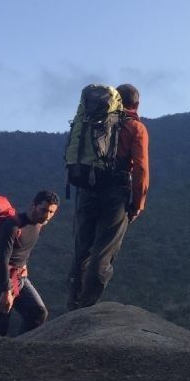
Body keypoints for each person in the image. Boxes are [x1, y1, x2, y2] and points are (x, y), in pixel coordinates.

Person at [68, 82, 150, 309]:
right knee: (103, 252)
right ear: (137, 103)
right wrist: (137, 203)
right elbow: (141, 168)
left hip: (87, 189)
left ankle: (73, 303)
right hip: (115, 193)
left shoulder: (94, 121)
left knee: (81, 249)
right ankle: (87, 307)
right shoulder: (135, 127)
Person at [0, 190, 60, 336]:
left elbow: (23, 251)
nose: (47, 215)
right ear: (33, 205)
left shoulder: (38, 224)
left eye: (51, 212)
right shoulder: (12, 225)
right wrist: (6, 291)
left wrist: (22, 270)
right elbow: (2, 259)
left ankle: (21, 349)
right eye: (43, 210)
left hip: (19, 277)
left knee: (37, 313)